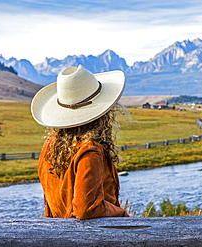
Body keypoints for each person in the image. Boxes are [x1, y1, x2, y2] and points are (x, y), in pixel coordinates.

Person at [31, 65, 129, 219]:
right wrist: (121, 213)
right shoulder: (90, 151)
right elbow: (86, 208)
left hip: (60, 235)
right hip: (93, 237)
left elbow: (50, 202)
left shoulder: (50, 145)